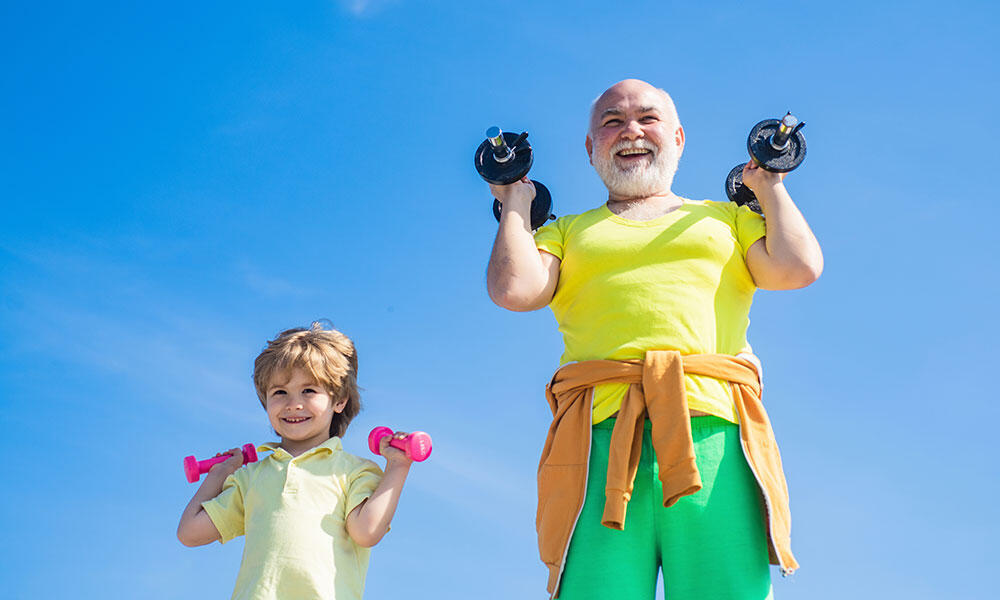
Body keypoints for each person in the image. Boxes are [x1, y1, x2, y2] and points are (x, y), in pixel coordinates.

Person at [486, 79, 823, 599]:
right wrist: (513, 200)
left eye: (648, 118)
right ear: (590, 147)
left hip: (712, 431)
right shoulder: (566, 231)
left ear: (679, 137)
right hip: (597, 439)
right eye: (612, 122)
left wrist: (770, 186)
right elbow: (514, 288)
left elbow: (797, 267)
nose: (631, 131)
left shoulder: (728, 219)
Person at [176, 322, 415, 600]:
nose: (293, 404)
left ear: (339, 400)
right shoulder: (251, 477)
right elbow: (189, 533)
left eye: (309, 391)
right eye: (279, 392)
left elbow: (367, 532)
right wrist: (220, 473)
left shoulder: (355, 471)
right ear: (266, 402)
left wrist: (398, 466)